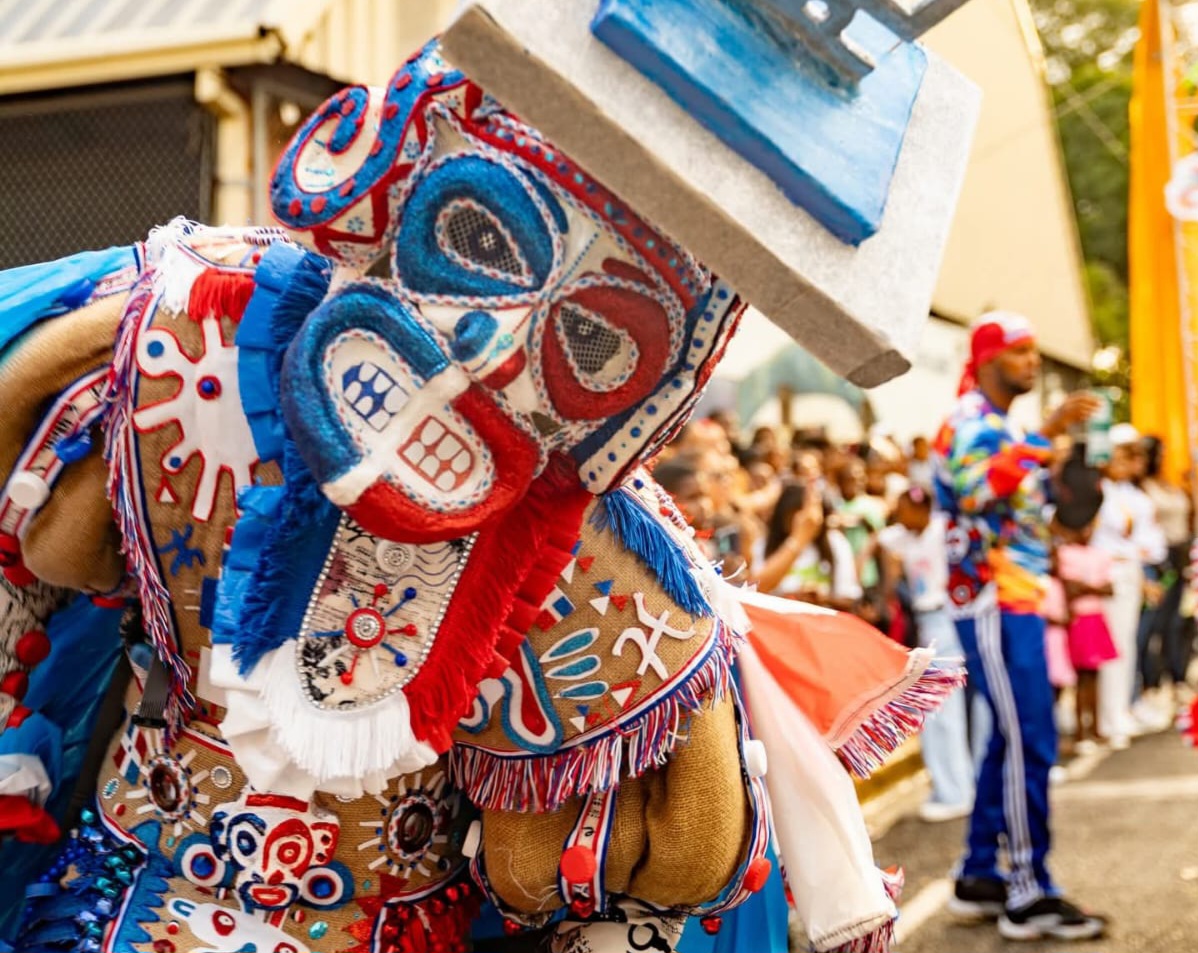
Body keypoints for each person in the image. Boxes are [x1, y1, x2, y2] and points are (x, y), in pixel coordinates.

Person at [934, 312, 1106, 941]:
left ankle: (981, 874)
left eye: (1035, 350)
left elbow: (1024, 513)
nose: (1033, 361)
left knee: (1012, 739)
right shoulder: (967, 421)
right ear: (986, 359)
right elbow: (976, 491)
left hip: (1018, 597)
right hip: (991, 600)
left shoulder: (1002, 426)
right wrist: (1045, 437)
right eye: (1020, 351)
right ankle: (1028, 892)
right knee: (1031, 736)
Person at [878, 487, 974, 821]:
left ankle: (955, 792)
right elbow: (879, 540)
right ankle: (951, 788)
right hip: (926, 622)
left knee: (943, 712)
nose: (899, 514)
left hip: (944, 619)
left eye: (904, 509)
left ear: (921, 510)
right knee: (935, 712)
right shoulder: (905, 536)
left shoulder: (941, 530)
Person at [1092, 424, 1167, 747]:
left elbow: (1151, 540)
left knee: (1127, 645)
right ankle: (1109, 717)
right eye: (1122, 458)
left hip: (1129, 571)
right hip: (1109, 573)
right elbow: (1110, 535)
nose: (1128, 464)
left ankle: (1120, 709)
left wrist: (1138, 554)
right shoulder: (1099, 491)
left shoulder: (1130, 493)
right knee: (1112, 648)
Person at [1136, 435, 1195, 717]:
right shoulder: (1142, 488)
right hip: (1159, 561)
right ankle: (1151, 681)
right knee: (1156, 623)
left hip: (1182, 556)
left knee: (1180, 620)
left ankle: (1177, 676)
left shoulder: (1171, 485)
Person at [1053, 511, 1117, 754]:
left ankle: (1096, 727)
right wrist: (1093, 587)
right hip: (1078, 620)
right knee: (1080, 678)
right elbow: (1070, 587)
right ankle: (1081, 730)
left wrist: (1085, 587)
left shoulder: (1099, 553)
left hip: (1096, 618)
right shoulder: (1064, 553)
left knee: (1095, 676)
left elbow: (1109, 588)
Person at [757, 480, 861, 611]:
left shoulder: (835, 542)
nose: (805, 518)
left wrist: (823, 598)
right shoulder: (764, 545)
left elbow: (850, 599)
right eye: (796, 512)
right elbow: (756, 589)